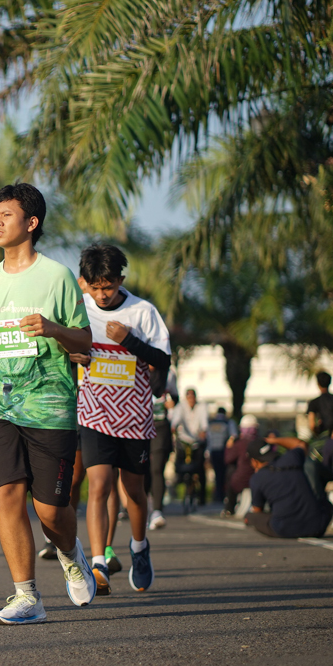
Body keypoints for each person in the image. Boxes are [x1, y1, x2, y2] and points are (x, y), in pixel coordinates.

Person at [0, 183, 95, 625]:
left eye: (6, 215)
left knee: (50, 510)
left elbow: (85, 341)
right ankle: (26, 596)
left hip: (49, 404)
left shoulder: (57, 277)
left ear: (31, 223)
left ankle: (70, 554)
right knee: (6, 495)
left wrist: (54, 329)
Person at [71, 244, 170, 595]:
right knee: (98, 485)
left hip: (134, 417)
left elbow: (163, 360)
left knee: (134, 491)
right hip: (93, 412)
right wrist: (74, 355)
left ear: (121, 280)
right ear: (84, 283)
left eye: (109, 287)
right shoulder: (79, 310)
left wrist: (128, 340)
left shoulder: (143, 312)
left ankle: (140, 548)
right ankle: (98, 564)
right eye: (96, 287)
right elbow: (64, 347)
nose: (102, 295)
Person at [245, 441, 333, 539]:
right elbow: (302, 444)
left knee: (250, 516)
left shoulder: (257, 478)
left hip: (284, 529)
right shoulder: (292, 457)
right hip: (316, 527)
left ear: (254, 461)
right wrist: (273, 440)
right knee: (327, 504)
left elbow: (257, 510)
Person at [148, 373, 178, 529]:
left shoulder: (169, 373)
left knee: (157, 468)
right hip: (137, 424)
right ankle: (137, 507)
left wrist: (172, 402)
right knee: (141, 470)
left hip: (160, 425)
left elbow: (175, 397)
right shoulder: (133, 363)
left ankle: (157, 511)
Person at [171, 388, 209, 505]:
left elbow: (204, 422)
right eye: (189, 397)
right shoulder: (180, 407)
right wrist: (174, 426)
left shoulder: (202, 407)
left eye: (193, 397)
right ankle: (176, 486)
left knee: (200, 468)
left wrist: (203, 430)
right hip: (183, 440)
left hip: (197, 441)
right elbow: (176, 419)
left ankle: (201, 496)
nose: (191, 400)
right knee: (178, 465)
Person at [223, 414, 261, 515]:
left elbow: (228, 459)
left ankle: (229, 507)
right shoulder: (261, 442)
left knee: (230, 471)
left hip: (241, 481)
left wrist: (229, 447)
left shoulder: (240, 444)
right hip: (259, 479)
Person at [307, 372, 333, 438]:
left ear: (318, 384)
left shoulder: (314, 402)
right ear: (330, 382)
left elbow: (312, 425)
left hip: (324, 435)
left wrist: (317, 434)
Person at [207, 407, 234, 505]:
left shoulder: (211, 423)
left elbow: (208, 439)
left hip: (213, 451)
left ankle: (218, 494)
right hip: (224, 451)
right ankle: (224, 494)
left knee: (217, 473)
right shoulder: (228, 422)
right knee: (225, 473)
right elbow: (233, 436)